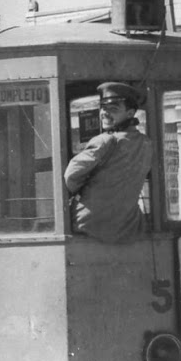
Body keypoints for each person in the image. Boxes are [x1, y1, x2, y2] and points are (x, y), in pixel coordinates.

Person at [64, 81, 152, 243]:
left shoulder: (105, 141)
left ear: (130, 113)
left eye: (113, 109)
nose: (104, 113)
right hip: (128, 226)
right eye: (103, 108)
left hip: (89, 224)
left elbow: (70, 177)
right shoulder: (146, 143)